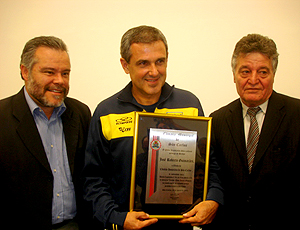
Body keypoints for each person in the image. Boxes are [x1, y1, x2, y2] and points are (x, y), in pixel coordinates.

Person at [82, 25, 223, 230]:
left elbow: (211, 165)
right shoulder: (106, 112)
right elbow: (93, 180)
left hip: (177, 226)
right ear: (125, 65)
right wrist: (117, 218)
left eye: (160, 61)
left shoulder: (190, 104)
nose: (154, 72)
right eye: (143, 63)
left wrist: (213, 199)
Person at [210, 34, 300, 230]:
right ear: (234, 74)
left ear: (273, 75)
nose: (253, 80)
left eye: (263, 72)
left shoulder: (297, 115)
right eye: (245, 71)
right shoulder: (217, 120)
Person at [0, 36, 91, 229]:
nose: (59, 81)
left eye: (65, 73)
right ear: (25, 72)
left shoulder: (80, 113)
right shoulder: (2, 117)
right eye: (49, 72)